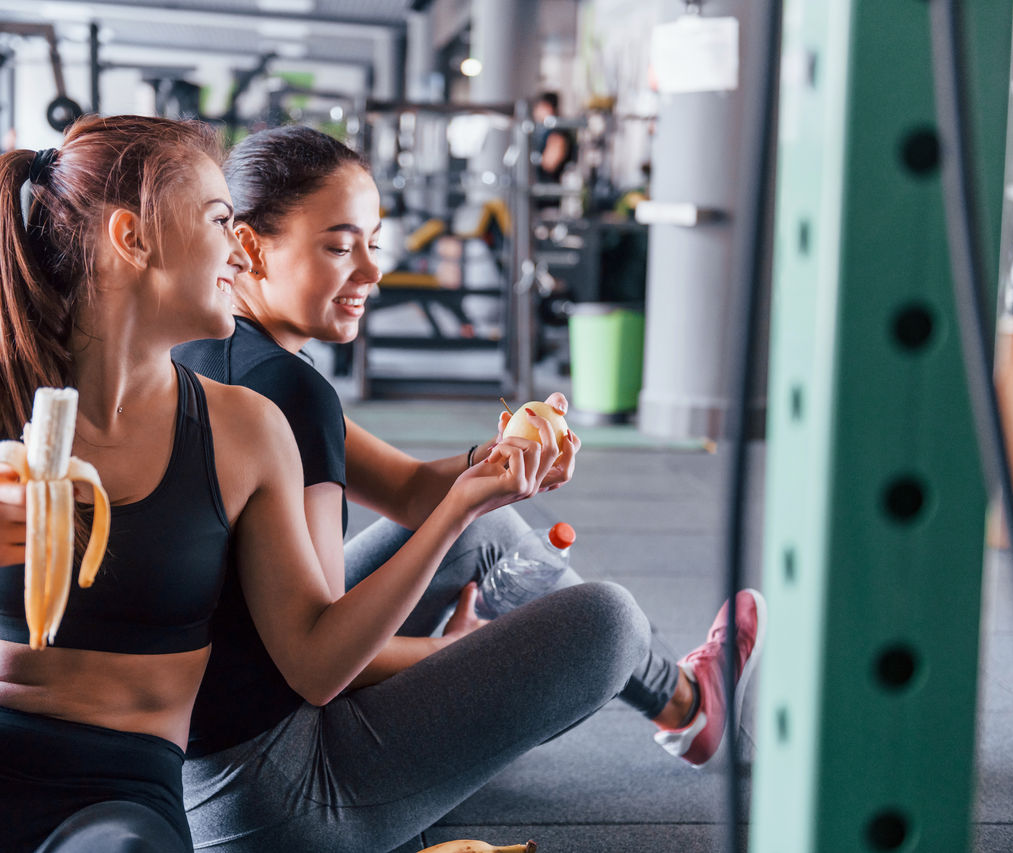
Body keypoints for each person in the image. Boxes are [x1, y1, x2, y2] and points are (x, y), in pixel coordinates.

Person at [0, 115, 566, 853]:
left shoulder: (245, 429)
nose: (240, 248)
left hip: (112, 800)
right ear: (133, 238)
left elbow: (317, 663)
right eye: (221, 220)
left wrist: (464, 502)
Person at [172, 125, 766, 853]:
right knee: (606, 622)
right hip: (286, 799)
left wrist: (502, 457)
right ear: (252, 247)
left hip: (198, 786)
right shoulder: (287, 389)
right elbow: (316, 664)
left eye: (373, 241)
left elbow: (412, 490)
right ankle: (682, 702)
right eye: (338, 246)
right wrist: (447, 653)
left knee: (485, 529)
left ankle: (685, 703)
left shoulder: (207, 348)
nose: (371, 272)